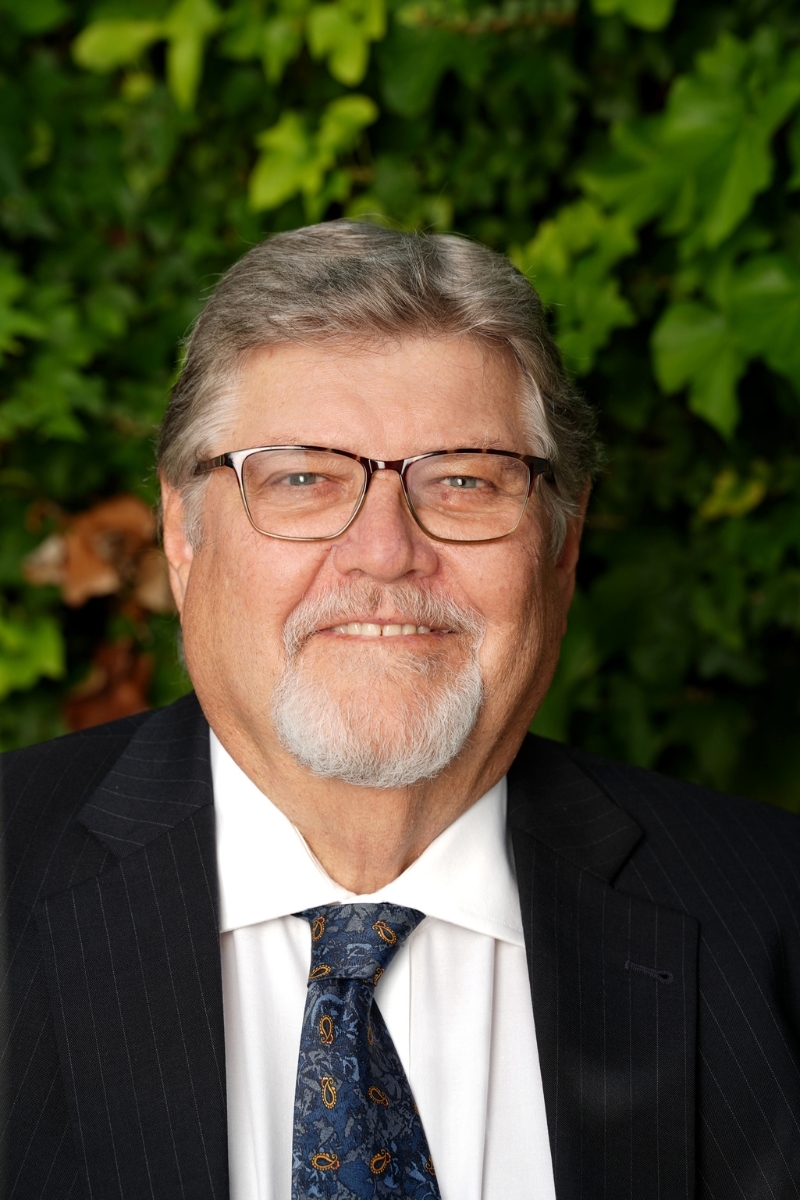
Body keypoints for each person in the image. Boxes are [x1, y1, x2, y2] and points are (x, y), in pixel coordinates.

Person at [3, 221, 800, 1200]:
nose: (384, 553)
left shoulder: (773, 914)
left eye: (463, 481)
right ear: (182, 533)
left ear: (561, 547)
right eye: (302, 478)